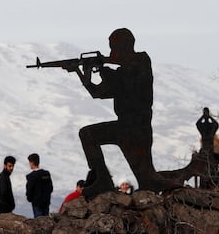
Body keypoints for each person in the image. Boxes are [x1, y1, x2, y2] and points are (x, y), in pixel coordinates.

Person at [69, 28, 180, 198]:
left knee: (88, 134)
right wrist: (83, 74)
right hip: (129, 128)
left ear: (125, 47)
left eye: (114, 48)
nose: (111, 53)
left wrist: (104, 69)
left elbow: (124, 77)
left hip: (134, 128)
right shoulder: (123, 71)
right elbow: (99, 93)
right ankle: (103, 179)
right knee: (147, 179)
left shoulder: (140, 62)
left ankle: (104, 180)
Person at [26, 153, 53, 218]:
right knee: (46, 221)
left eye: (29, 162)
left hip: (36, 203)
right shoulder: (46, 174)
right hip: (46, 202)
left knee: (38, 222)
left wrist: (29, 198)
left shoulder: (32, 176)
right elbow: (50, 188)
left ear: (32, 162)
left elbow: (29, 190)